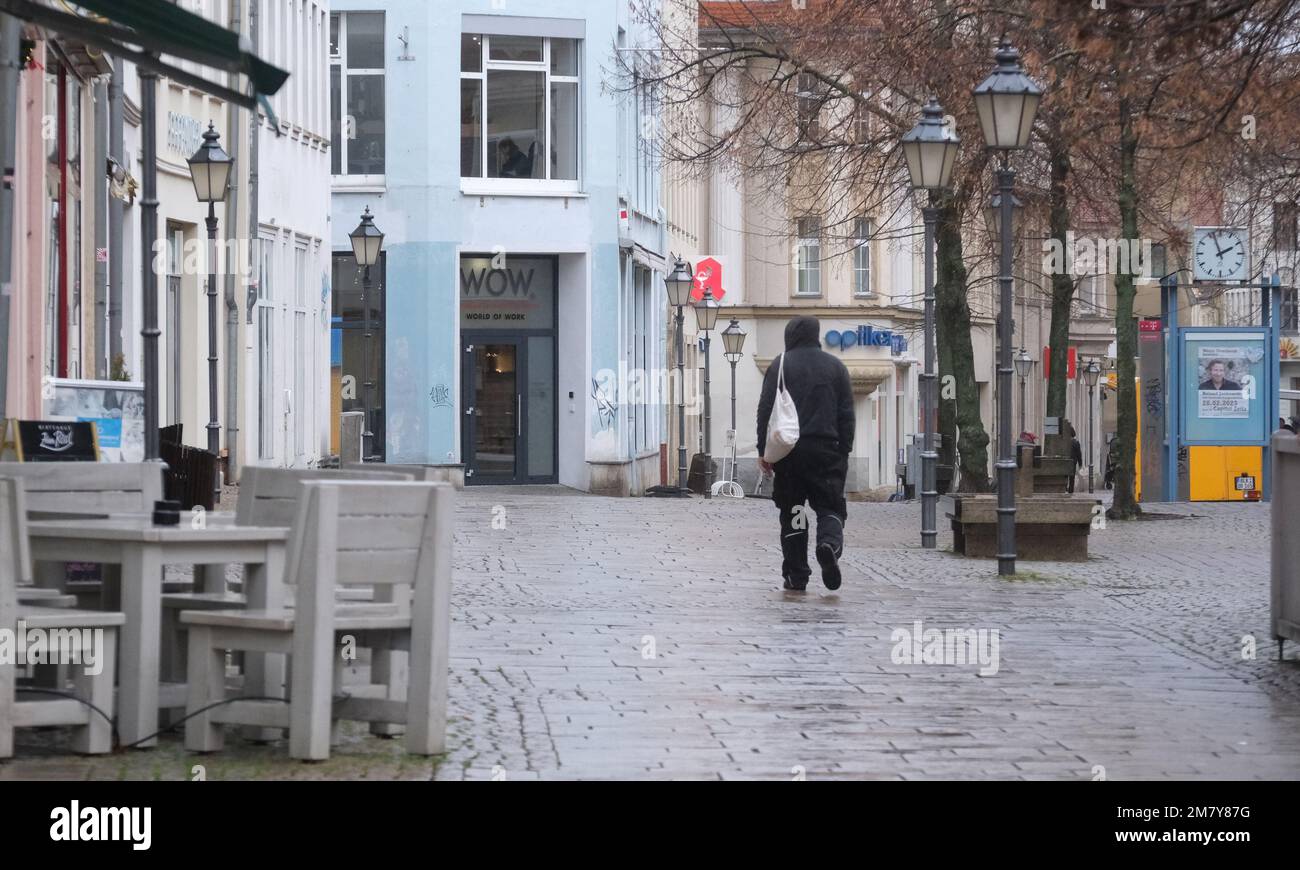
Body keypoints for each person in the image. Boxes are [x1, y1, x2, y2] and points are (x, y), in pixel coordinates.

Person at [756, 316, 855, 592]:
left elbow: (765, 410)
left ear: (790, 336)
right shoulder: (836, 367)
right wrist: (844, 450)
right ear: (816, 335)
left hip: (790, 454)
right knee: (829, 507)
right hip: (827, 452)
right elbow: (846, 414)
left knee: (794, 511)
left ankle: (797, 574)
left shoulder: (781, 365)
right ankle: (829, 545)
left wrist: (764, 451)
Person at [1068, 423, 1083, 494]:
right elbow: (1079, 454)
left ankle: (1065, 488)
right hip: (1073, 462)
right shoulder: (1076, 443)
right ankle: (1071, 490)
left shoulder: (1064, 442)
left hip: (1066, 461)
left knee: (1065, 476)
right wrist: (1080, 464)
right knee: (1072, 477)